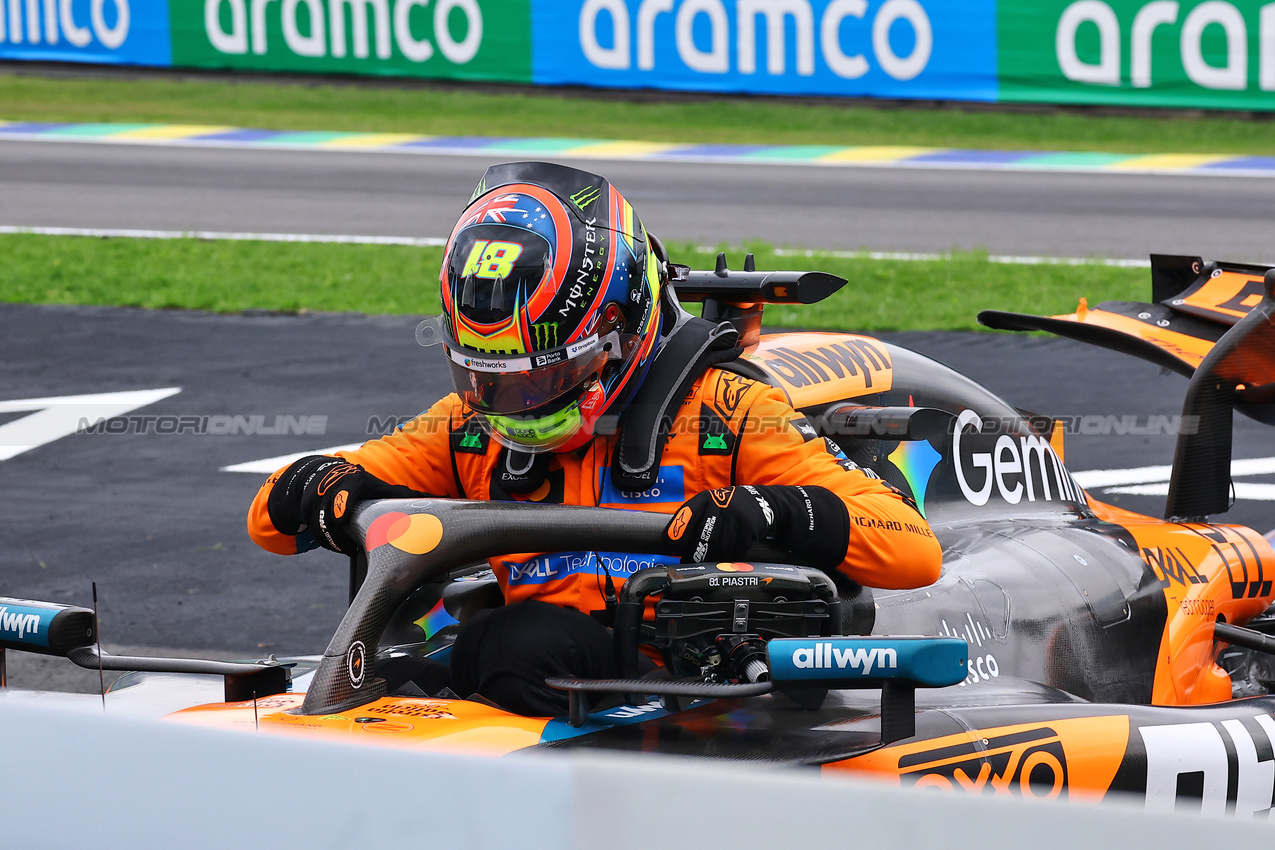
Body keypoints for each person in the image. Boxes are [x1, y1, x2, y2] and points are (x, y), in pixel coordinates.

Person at [248, 161, 941, 716]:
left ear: (620, 329)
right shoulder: (467, 428)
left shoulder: (730, 413)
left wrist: (774, 512)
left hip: (703, 695)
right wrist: (322, 487)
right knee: (472, 660)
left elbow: (913, 550)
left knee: (516, 646)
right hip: (556, 680)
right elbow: (269, 524)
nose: (518, 402)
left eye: (546, 374)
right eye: (492, 377)